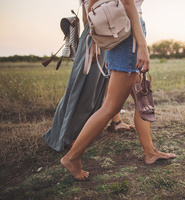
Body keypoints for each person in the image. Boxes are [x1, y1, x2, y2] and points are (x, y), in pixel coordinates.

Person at [61, 0, 176, 180]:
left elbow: (90, 6)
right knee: (111, 107)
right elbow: (128, 3)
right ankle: (71, 158)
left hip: (119, 33)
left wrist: (97, 39)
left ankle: (150, 152)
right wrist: (142, 45)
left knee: (142, 96)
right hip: (128, 33)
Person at [43, 0, 132, 152]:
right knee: (84, 88)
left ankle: (113, 123)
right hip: (95, 36)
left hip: (102, 34)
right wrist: (95, 43)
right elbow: (90, 12)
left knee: (101, 83)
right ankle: (66, 136)